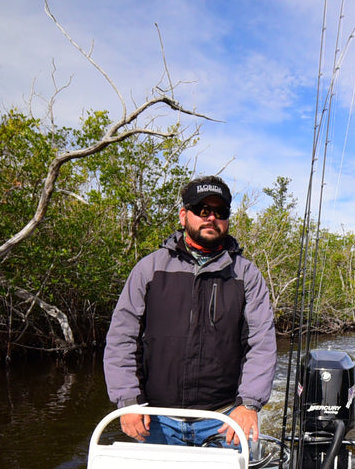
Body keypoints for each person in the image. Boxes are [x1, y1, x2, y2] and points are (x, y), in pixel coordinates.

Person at [103, 175, 277, 447]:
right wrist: (127, 401)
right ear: (184, 216)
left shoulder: (247, 275)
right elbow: (121, 338)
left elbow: (262, 344)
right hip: (156, 419)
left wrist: (250, 404)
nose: (211, 218)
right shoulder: (149, 269)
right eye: (202, 210)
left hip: (225, 420)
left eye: (220, 212)